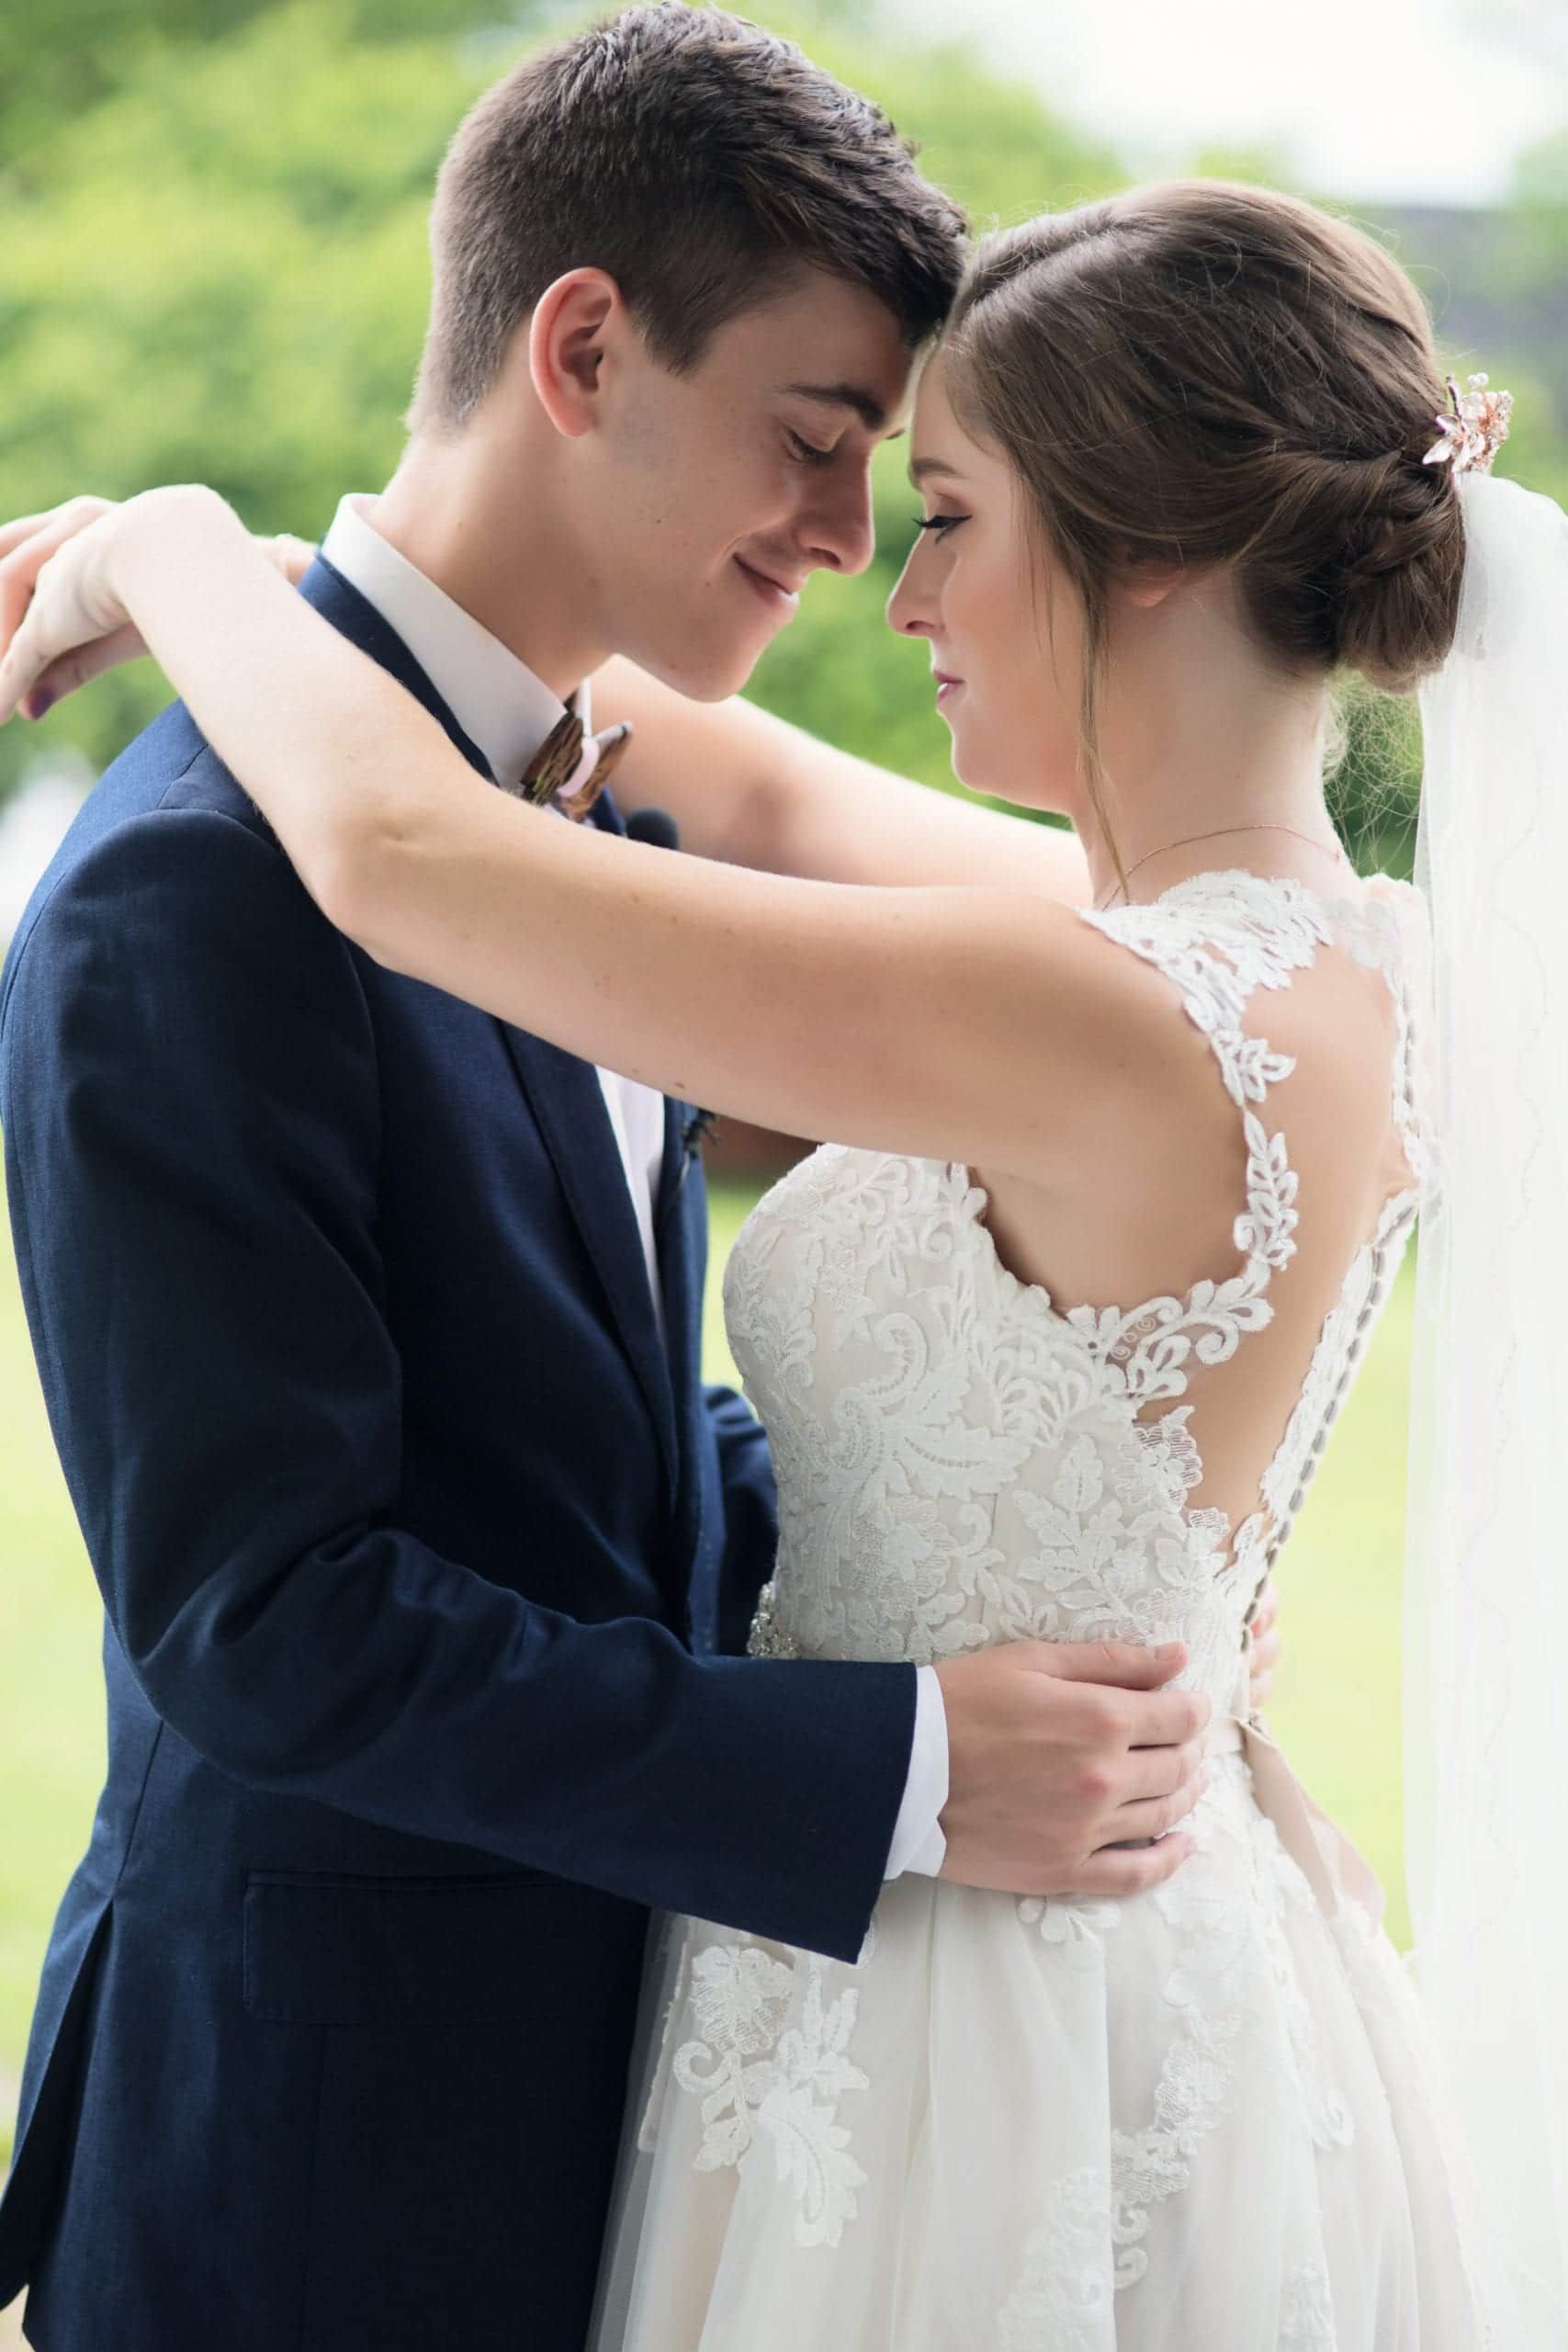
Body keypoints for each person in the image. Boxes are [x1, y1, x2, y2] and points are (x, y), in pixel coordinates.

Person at [3, 170, 1533, 2344]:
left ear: (1162, 550)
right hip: (1090, 1948)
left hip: (967, 2005)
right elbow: (722, 780)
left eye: (942, 508)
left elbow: (407, 845)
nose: (880, 577)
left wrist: (151, 537)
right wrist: (302, 593)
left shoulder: (1087, 1008)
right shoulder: (1331, 961)